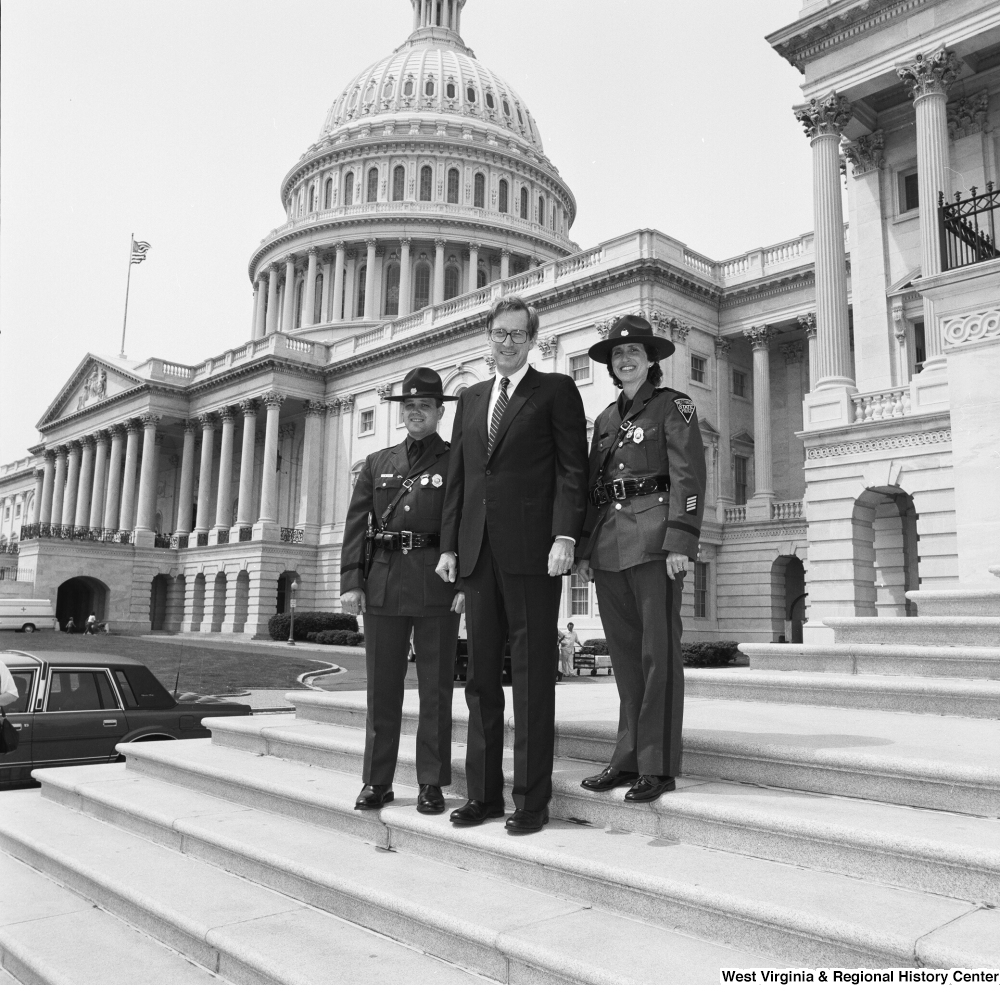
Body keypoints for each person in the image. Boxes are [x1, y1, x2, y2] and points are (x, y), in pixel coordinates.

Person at [437, 295, 589, 834]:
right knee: (480, 679)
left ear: (533, 339)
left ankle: (530, 800)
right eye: (499, 333)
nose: (506, 343)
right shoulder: (471, 398)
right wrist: (449, 546)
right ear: (488, 335)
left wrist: (565, 535)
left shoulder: (556, 390)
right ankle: (483, 795)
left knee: (529, 680)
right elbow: (460, 479)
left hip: (534, 554)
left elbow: (574, 469)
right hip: (477, 555)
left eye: (517, 335)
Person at [574, 314, 706, 803]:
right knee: (626, 661)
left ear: (651, 361)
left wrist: (680, 540)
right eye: (617, 354)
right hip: (609, 546)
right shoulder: (607, 420)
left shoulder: (676, 406)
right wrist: (585, 550)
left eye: (634, 352)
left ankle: (658, 764)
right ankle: (625, 758)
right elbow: (595, 489)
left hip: (654, 540)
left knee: (658, 657)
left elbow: (689, 476)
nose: (625, 359)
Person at [341, 367, 464, 815]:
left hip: (437, 584)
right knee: (382, 690)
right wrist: (352, 582)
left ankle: (431, 783)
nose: (416, 412)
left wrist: (465, 581)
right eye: (409, 406)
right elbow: (357, 524)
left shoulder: (455, 461)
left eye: (424, 406)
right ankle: (377, 781)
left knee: (435, 691)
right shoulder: (378, 463)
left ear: (438, 412)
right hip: (384, 584)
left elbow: (467, 526)